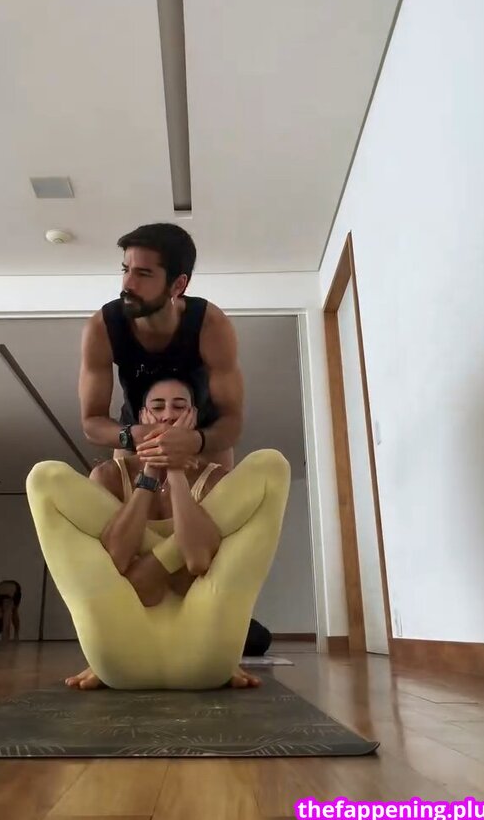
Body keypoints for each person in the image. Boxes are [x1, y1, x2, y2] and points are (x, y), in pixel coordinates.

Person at [26, 376, 290, 691]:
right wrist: (151, 470)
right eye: (158, 406)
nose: (168, 416)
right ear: (142, 416)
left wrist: (175, 471)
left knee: (270, 464)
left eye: (179, 407)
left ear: (193, 418)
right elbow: (116, 559)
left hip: (204, 652)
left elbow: (197, 561)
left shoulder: (214, 479)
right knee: (45, 476)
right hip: (123, 652)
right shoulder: (110, 475)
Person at [79, 222, 244, 472]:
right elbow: (91, 423)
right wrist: (132, 436)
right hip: (136, 437)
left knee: (218, 496)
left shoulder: (211, 325)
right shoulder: (101, 328)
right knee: (121, 494)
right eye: (126, 270)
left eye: (143, 274)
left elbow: (232, 421)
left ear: (178, 285)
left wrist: (196, 440)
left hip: (202, 438)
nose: (128, 284)